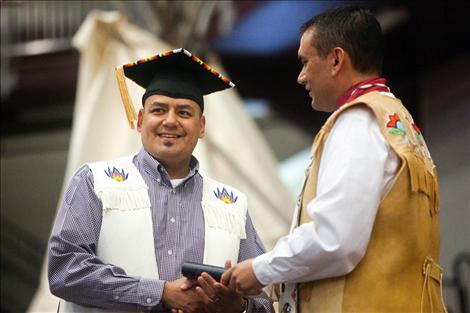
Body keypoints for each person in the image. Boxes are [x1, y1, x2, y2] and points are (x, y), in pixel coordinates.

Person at [221, 6, 447, 313]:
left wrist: (261, 269)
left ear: (336, 60)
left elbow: (335, 240)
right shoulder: (396, 120)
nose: (300, 77)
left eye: (304, 62)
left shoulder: (356, 121)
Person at [48, 48, 274, 313]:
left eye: (184, 112)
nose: (170, 121)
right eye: (159, 109)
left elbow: (266, 297)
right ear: (141, 120)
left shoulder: (232, 204)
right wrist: (160, 293)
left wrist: (239, 307)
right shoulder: (95, 182)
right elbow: (65, 269)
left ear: (201, 127)